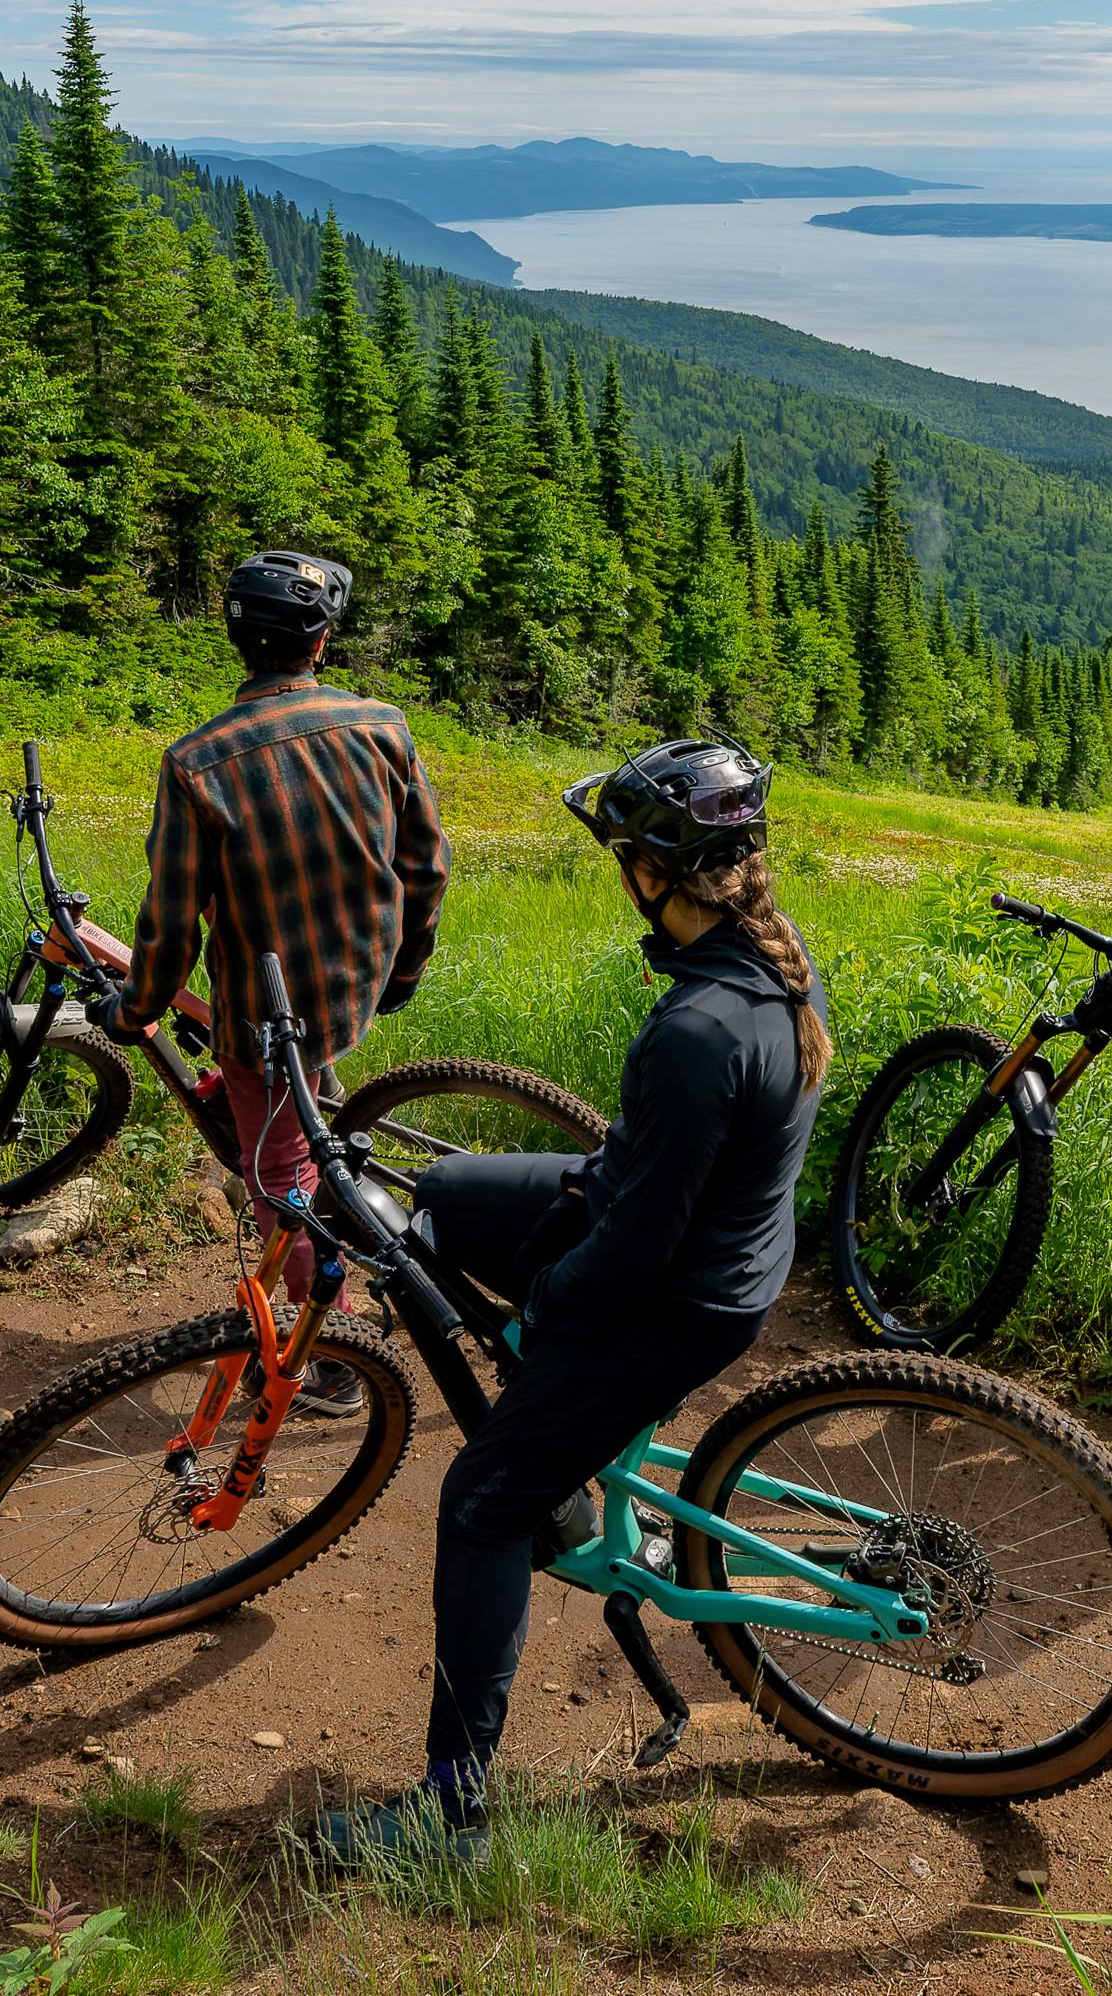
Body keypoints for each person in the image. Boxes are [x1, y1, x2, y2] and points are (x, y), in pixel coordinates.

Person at [315, 737, 830, 1865]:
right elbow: (649, 1185)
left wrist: (542, 1312)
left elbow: (634, 1251)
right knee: (449, 1193)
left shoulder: (696, 1033)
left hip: (680, 1299)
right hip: (719, 1242)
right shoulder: (770, 958)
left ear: (652, 869)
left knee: (481, 1503)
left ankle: (450, 1813)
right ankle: (554, 1432)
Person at [96, 550, 448, 1416]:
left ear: (237, 640)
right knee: (310, 1119)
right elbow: (426, 867)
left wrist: (134, 1010)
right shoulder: (382, 725)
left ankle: (333, 1356)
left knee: (280, 1176)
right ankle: (341, 1183)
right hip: (358, 979)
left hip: (268, 1012)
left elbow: (171, 920)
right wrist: (404, 969)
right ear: (320, 643)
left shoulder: (197, 761)